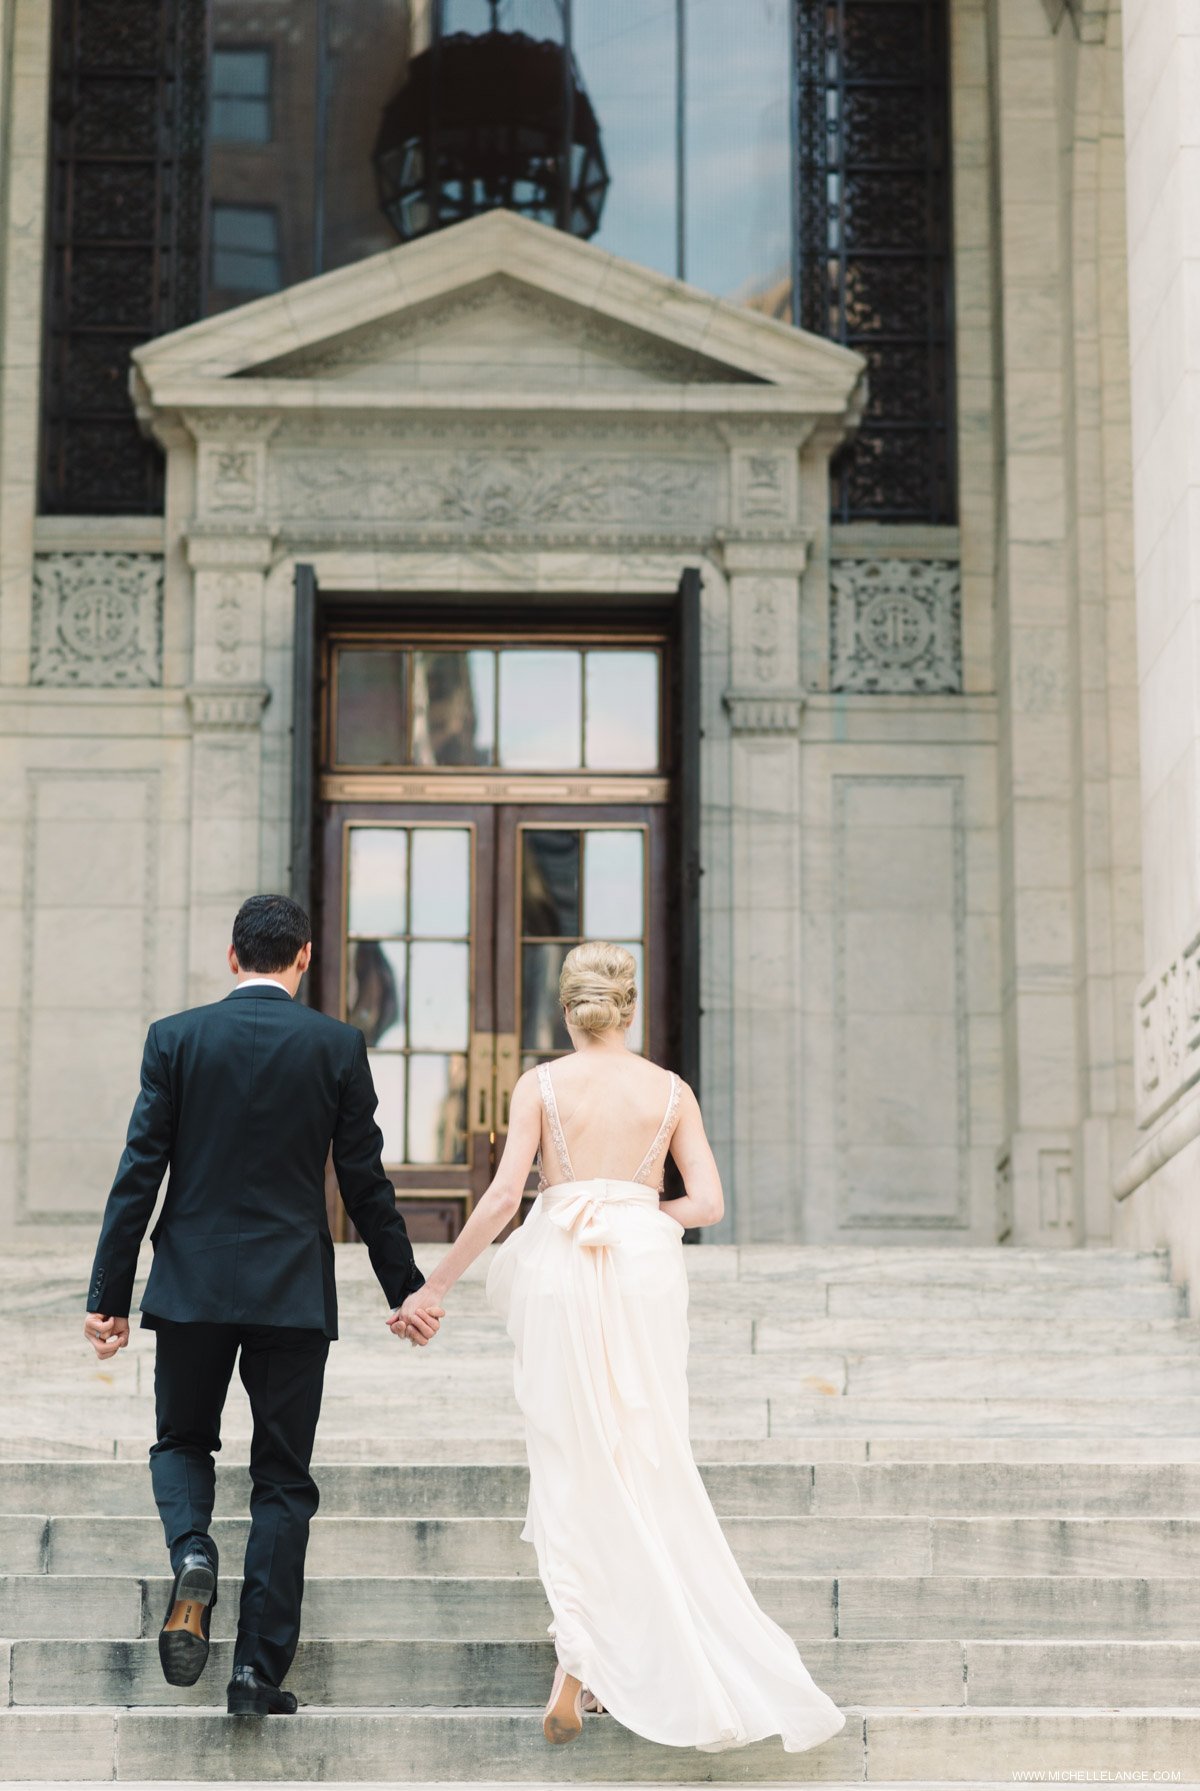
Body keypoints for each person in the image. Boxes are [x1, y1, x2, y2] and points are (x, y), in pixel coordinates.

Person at [395, 941, 846, 1754]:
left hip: (560, 1268)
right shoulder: (670, 1091)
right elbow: (706, 1201)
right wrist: (640, 1214)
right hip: (641, 1270)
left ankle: (581, 1653)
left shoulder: (541, 1085)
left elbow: (503, 1197)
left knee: (571, 1459)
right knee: (642, 1452)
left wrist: (436, 1286)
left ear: (567, 1009)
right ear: (629, 1007)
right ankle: (610, 1660)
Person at [82, 894, 439, 1717]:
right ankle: (254, 1674)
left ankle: (194, 1548)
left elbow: (140, 1171)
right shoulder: (338, 1046)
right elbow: (365, 1182)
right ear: (305, 957)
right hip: (290, 1292)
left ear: (234, 955)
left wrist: (110, 1296)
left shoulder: (176, 1038)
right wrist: (405, 1289)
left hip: (192, 1286)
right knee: (282, 1480)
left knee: (181, 1439)